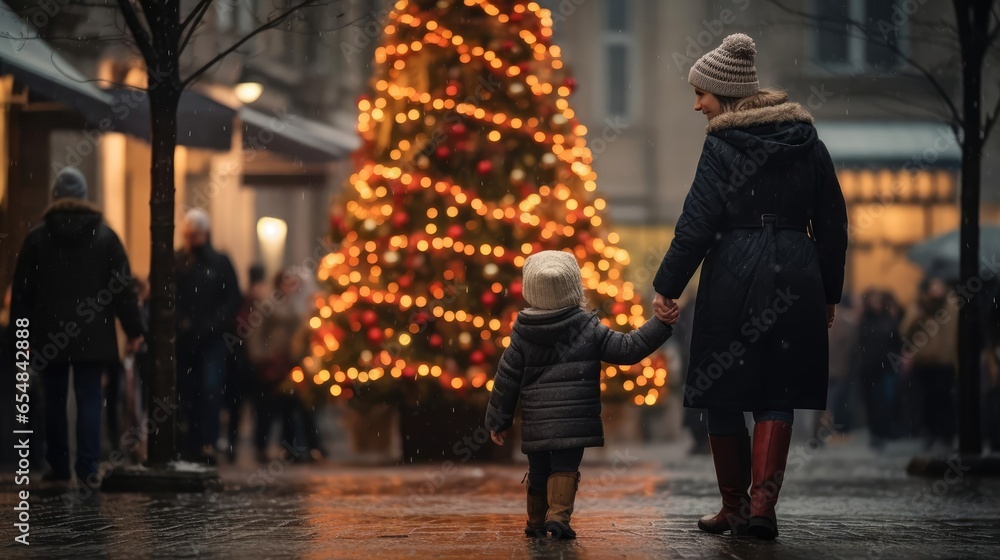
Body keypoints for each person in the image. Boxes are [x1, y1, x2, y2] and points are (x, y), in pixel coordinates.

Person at [649, 34, 848, 540]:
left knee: (723, 390)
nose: (697, 104)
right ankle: (763, 509)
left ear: (726, 94)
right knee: (776, 389)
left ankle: (734, 507)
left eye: (702, 94)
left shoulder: (721, 144)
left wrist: (667, 285)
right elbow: (832, 225)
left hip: (733, 272)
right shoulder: (809, 141)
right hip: (796, 271)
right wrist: (827, 292)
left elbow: (697, 222)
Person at [485, 250, 676, 539]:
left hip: (537, 422)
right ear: (573, 288)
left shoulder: (523, 334)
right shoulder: (589, 328)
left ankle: (535, 521)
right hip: (573, 422)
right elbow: (627, 349)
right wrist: (660, 325)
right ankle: (559, 517)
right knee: (565, 467)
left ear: (531, 290)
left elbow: (506, 377)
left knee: (538, 469)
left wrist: (498, 419)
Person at [10, 167, 145, 484]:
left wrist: (21, 334)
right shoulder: (106, 237)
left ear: (55, 197)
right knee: (89, 399)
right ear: (85, 197)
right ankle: (86, 466)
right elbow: (123, 288)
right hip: (93, 334)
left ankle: (58, 464)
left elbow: (22, 294)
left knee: (53, 399)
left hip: (49, 335)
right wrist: (135, 329)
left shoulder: (37, 238)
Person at [175, 208, 241, 464]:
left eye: (196, 235)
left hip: (212, 339)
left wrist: (211, 324)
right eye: (188, 236)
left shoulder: (219, 262)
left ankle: (207, 442)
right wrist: (183, 321)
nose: (191, 241)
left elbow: (231, 298)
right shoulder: (178, 261)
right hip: (186, 339)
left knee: (210, 389)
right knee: (187, 391)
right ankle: (191, 441)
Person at [901, 277, 958, 450]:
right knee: (927, 400)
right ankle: (930, 433)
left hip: (945, 360)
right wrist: (919, 314)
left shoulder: (953, 306)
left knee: (945, 399)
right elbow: (904, 331)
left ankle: (946, 434)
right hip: (924, 362)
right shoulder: (919, 306)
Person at [224, 264, 267, 463]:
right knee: (239, 406)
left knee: (254, 407)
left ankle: (255, 446)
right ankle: (235, 445)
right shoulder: (245, 302)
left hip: (250, 360)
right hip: (241, 360)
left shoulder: (259, 302)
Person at [852, 289, 903, 450]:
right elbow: (858, 345)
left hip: (884, 368)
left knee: (884, 401)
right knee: (872, 403)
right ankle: (876, 433)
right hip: (869, 369)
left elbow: (897, 343)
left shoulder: (889, 321)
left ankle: (883, 432)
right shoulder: (864, 322)